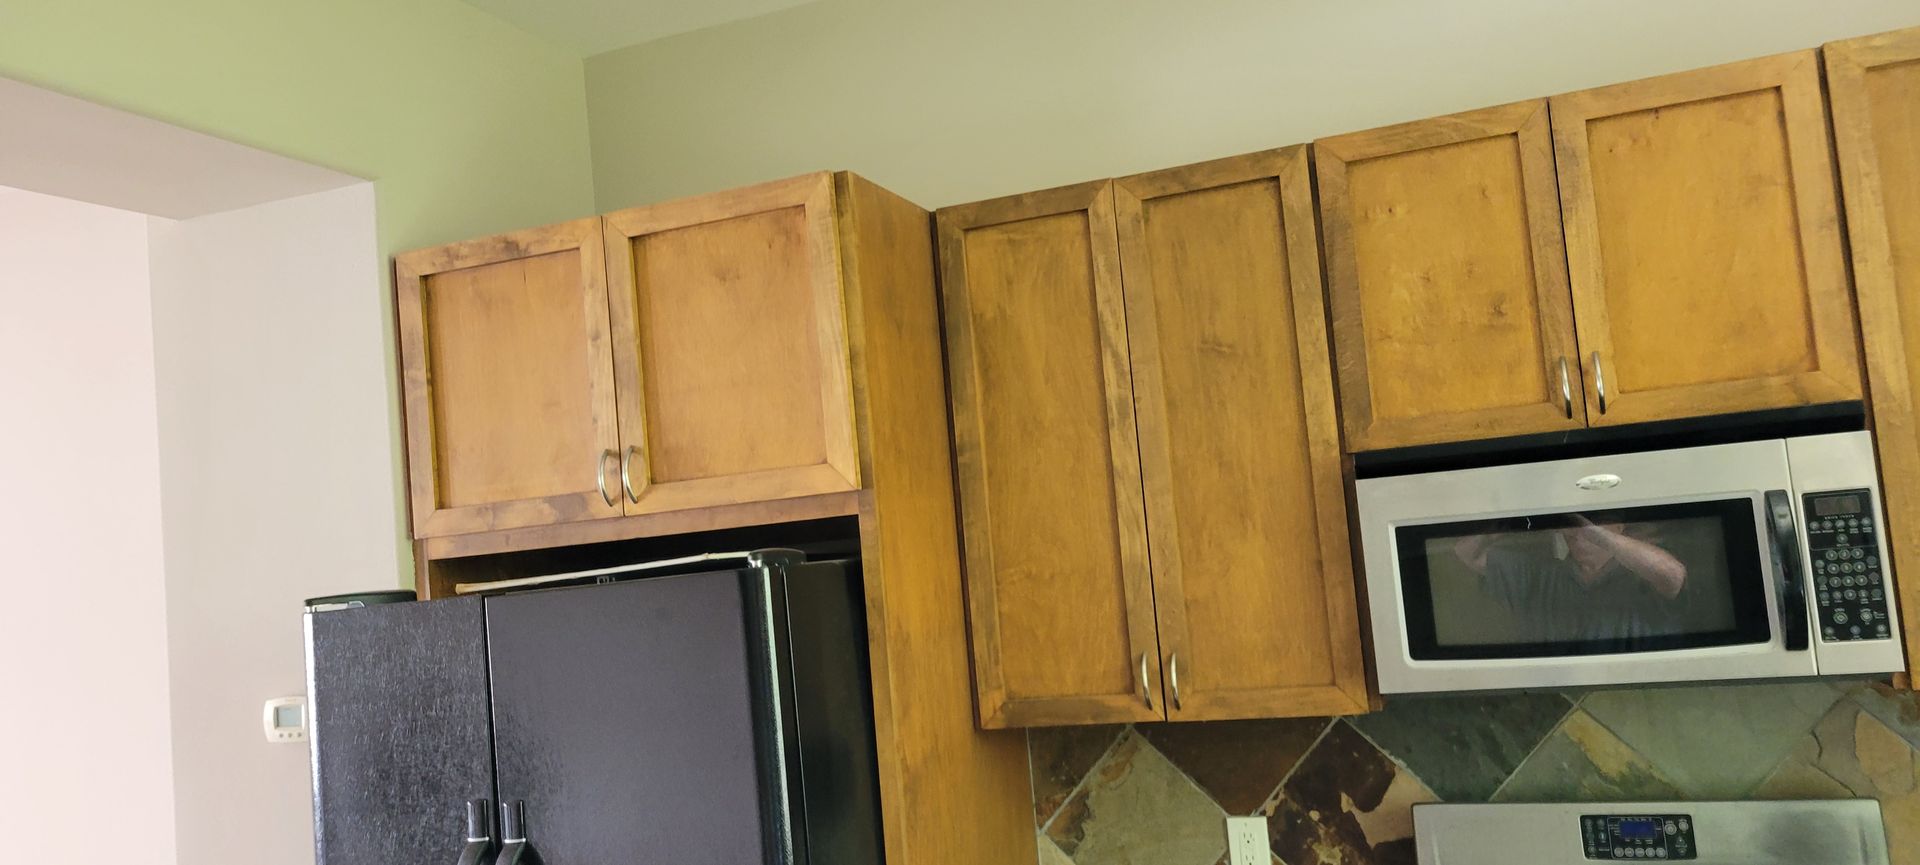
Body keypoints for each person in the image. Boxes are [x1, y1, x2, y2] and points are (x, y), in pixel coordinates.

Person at [1451, 514, 1690, 645]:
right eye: (1571, 526)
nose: (1577, 534)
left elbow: (1672, 574)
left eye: (1595, 518)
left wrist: (1596, 533)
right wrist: (1508, 518)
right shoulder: (1541, 574)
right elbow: (1466, 552)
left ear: (1619, 526)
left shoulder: (1640, 578)